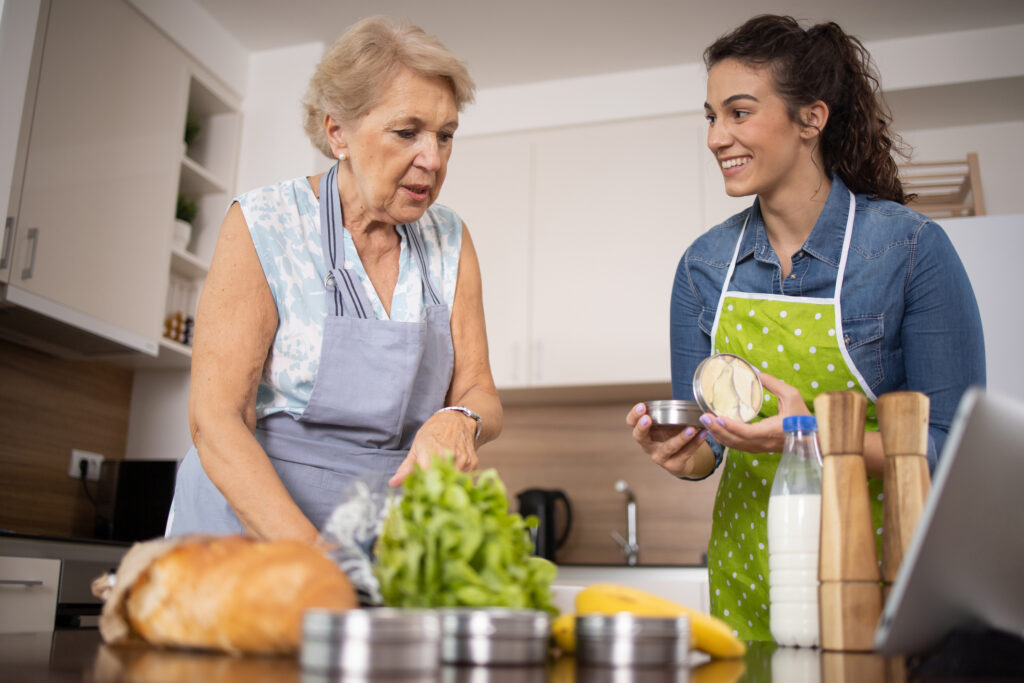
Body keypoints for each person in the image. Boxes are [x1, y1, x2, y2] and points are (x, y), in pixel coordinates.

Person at [627, 14, 985, 641]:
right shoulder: (703, 268)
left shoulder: (909, 250)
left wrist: (812, 438)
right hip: (749, 582)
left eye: (738, 112)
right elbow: (711, 444)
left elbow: (953, 456)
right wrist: (681, 455)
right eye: (710, 116)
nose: (716, 137)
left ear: (811, 119)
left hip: (880, 579)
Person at [166, 16, 501, 543]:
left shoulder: (450, 239)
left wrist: (459, 419)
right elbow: (217, 420)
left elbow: (480, 388)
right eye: (407, 132)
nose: (432, 159)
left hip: (387, 533)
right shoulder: (265, 223)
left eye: (445, 135)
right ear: (337, 131)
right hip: (254, 529)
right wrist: (315, 561)